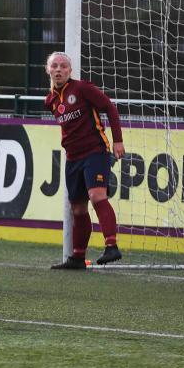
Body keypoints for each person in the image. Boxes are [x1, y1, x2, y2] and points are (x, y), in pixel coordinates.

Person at [44, 51, 125, 270]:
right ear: (48, 70)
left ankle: (111, 245)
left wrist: (118, 141)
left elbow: (110, 108)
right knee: (78, 209)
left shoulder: (82, 89)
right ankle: (78, 257)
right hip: (72, 158)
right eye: (54, 66)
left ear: (70, 70)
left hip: (95, 151)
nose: (58, 69)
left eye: (63, 66)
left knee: (96, 195)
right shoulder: (50, 100)